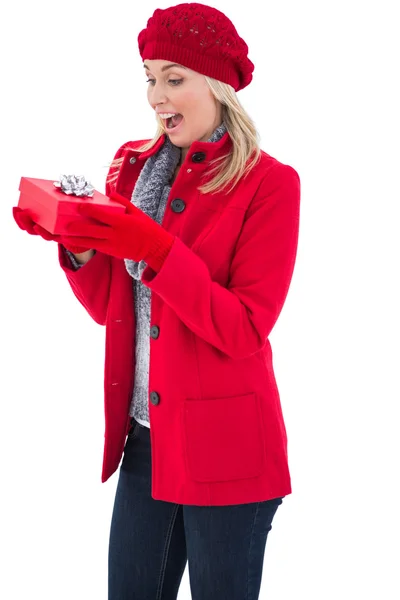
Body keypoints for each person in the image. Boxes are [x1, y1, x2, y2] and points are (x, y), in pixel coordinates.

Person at [13, 3, 301, 599]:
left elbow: (244, 327)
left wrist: (158, 250)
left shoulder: (269, 184)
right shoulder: (136, 167)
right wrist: (79, 247)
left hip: (228, 450)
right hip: (148, 438)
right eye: (149, 77)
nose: (155, 96)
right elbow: (114, 310)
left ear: (217, 85)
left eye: (175, 78)